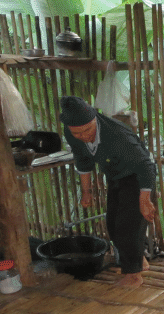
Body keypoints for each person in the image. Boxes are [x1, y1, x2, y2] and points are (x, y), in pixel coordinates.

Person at [59, 96, 157, 287]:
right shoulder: (73, 132)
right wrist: (86, 191)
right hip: (116, 176)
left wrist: (144, 199)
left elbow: (145, 165)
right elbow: (83, 160)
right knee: (112, 223)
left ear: (95, 118)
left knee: (128, 224)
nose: (84, 136)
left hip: (137, 176)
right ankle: (139, 261)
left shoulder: (117, 135)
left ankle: (133, 275)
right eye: (77, 133)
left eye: (88, 130)